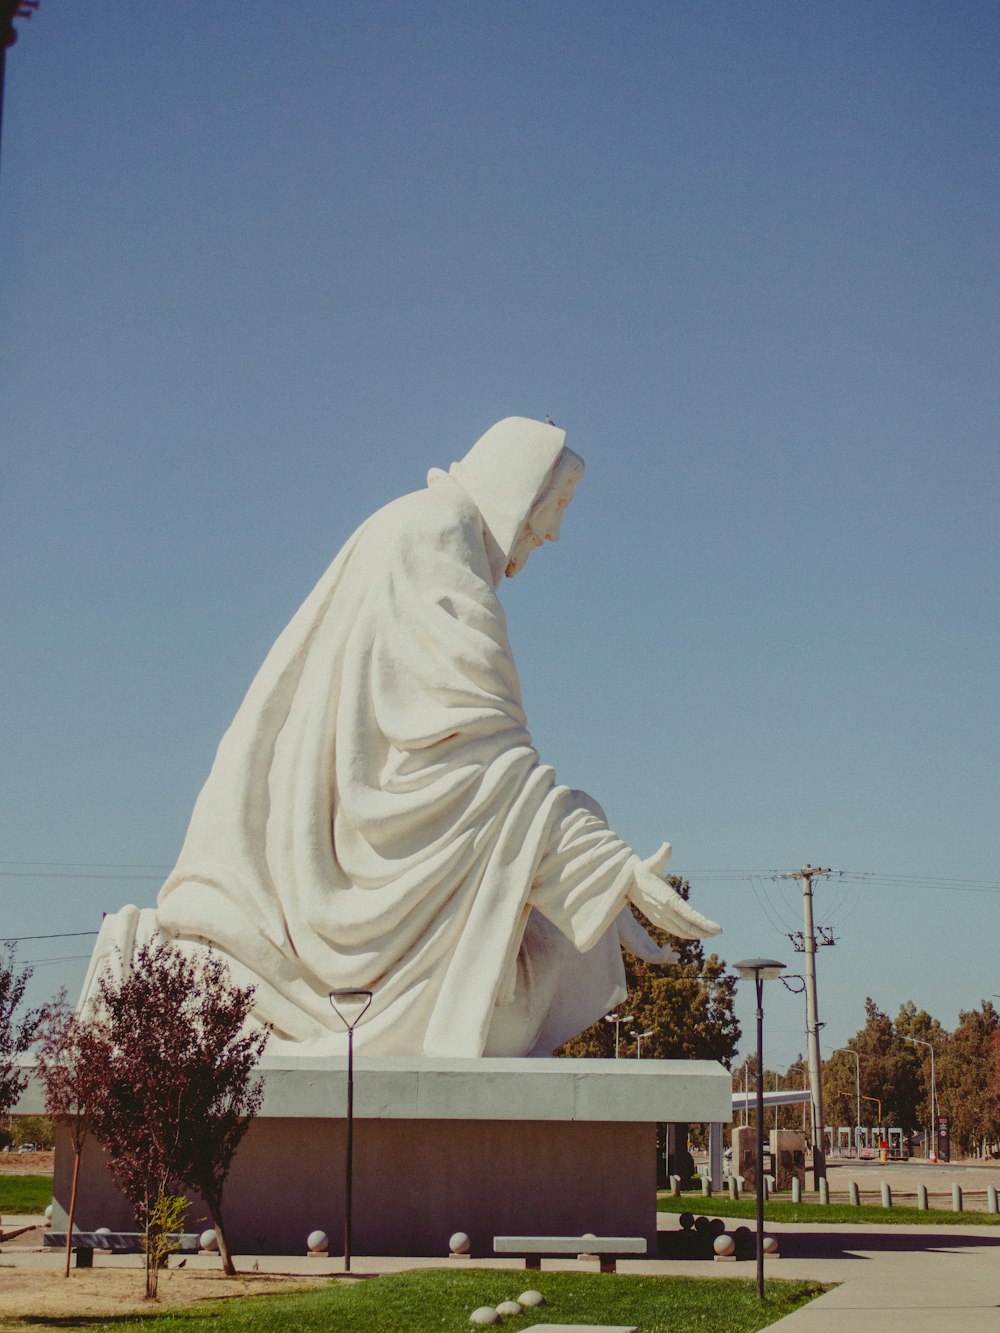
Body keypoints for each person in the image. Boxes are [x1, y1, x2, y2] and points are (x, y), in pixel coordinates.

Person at [80, 417, 720, 1056]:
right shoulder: (438, 535)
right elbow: (470, 751)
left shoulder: (415, 526)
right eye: (556, 507)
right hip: (344, 904)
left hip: (353, 869)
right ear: (519, 489)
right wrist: (604, 870)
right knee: (514, 998)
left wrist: (597, 874)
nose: (552, 532)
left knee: (531, 973)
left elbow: (453, 751)